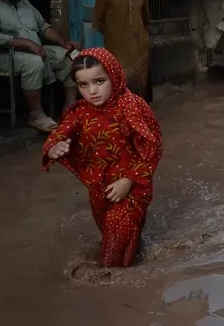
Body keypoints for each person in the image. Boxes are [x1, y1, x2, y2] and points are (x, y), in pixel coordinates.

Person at [42, 49, 163, 268]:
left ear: (114, 76)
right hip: (99, 190)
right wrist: (53, 148)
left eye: (99, 81)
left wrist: (127, 181)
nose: (92, 91)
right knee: (113, 236)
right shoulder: (79, 112)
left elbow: (152, 148)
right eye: (83, 85)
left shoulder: (132, 107)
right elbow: (58, 135)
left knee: (113, 255)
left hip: (133, 187)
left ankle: (113, 291)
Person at [0, 0, 79, 133]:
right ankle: (36, 115)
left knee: (71, 56)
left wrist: (63, 42)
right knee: (33, 62)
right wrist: (25, 43)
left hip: (33, 49)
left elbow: (43, 27)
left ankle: (70, 109)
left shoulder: (24, 2)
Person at [93, 0, 152, 104]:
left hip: (139, 49)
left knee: (140, 84)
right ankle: (121, 117)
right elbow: (97, 22)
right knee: (119, 82)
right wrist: (114, 34)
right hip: (117, 48)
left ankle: (139, 115)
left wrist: (142, 38)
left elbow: (146, 21)